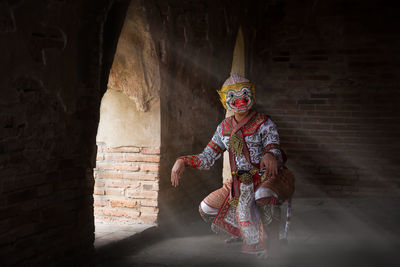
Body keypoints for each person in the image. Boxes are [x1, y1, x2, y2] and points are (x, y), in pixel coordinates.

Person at [171, 73, 294, 258]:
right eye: (232, 96)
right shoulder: (223, 128)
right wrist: (183, 160)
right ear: (224, 99)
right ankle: (244, 233)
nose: (239, 100)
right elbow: (207, 157)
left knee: (263, 196)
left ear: (251, 94)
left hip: (267, 178)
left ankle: (274, 242)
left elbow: (273, 146)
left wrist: (269, 154)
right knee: (206, 208)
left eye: (243, 93)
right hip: (239, 184)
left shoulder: (264, 122)